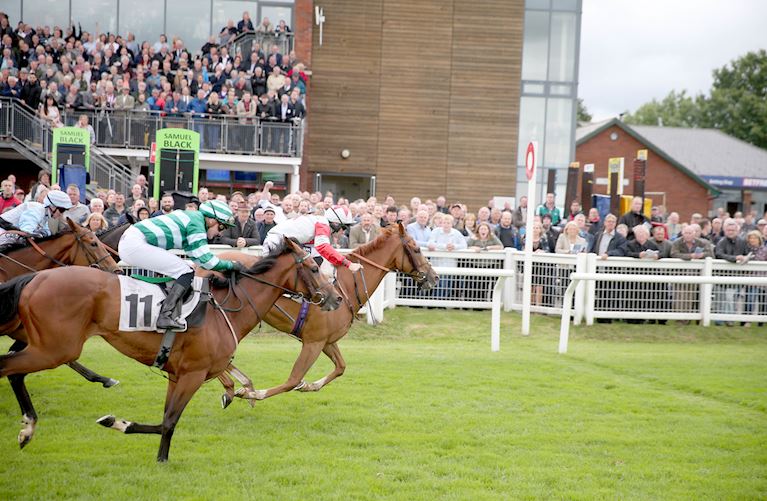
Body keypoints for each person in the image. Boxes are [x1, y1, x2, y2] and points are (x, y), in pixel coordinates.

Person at [118, 200, 245, 331]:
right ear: (212, 220)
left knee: (187, 268)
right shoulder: (197, 224)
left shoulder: (194, 219)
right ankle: (164, 316)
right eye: (222, 227)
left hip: (133, 241)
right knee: (185, 272)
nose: (220, 233)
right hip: (135, 243)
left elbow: (196, 257)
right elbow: (207, 261)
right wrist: (232, 265)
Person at [261, 205, 363, 278]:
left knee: (315, 262)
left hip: (282, 242)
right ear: (336, 224)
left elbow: (318, 255)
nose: (344, 232)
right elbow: (323, 247)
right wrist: (348, 264)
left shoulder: (320, 222)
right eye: (344, 227)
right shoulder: (323, 224)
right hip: (277, 242)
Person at [0, 190, 72, 246]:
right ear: (52, 207)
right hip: (3, 235)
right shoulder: (36, 209)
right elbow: (25, 233)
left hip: (10, 237)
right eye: (62, 210)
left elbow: (47, 233)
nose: (62, 213)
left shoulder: (45, 214)